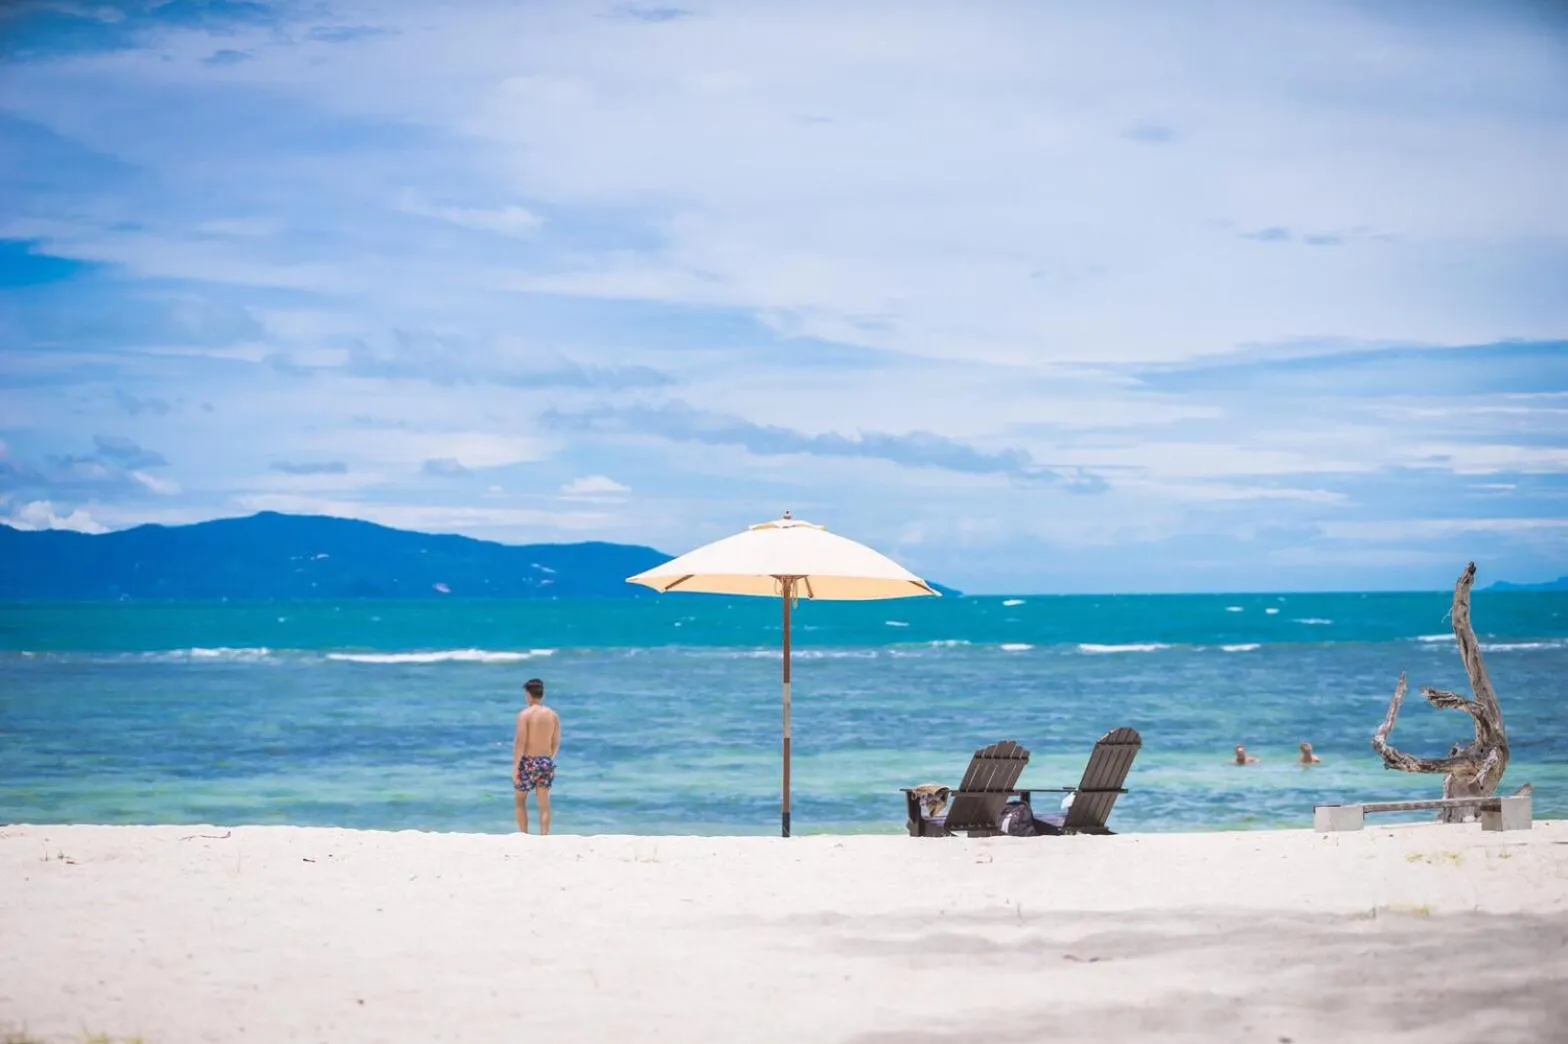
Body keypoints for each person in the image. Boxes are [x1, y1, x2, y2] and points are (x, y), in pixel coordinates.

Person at [512, 677, 561, 834]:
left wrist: (516, 767)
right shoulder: (553, 715)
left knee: (520, 801)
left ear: (528, 695)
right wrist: (549, 759)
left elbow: (521, 742)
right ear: (542, 695)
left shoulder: (524, 715)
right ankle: (544, 835)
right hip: (545, 761)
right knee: (544, 804)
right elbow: (556, 742)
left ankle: (524, 834)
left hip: (527, 762)